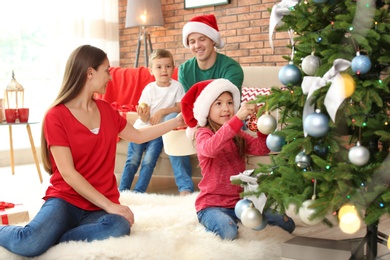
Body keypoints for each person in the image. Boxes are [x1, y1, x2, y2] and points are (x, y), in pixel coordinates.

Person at [0, 45, 185, 257]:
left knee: (119, 226)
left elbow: (139, 136)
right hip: (66, 200)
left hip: (98, 208)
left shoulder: (107, 110)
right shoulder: (56, 116)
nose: (110, 77)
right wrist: (110, 205)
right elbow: (68, 173)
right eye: (107, 70)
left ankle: (55, 237)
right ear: (90, 73)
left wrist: (176, 121)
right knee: (28, 244)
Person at [180, 78, 295, 240]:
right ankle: (208, 229)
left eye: (230, 103)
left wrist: (262, 125)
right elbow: (211, 148)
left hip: (240, 202)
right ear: (207, 109)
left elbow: (261, 148)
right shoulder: (203, 133)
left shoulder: (237, 134)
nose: (226, 108)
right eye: (218, 104)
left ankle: (234, 220)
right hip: (212, 205)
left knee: (287, 223)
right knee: (228, 232)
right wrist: (237, 120)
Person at [171, 13, 245, 196]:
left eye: (202, 39)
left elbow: (228, 107)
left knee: (232, 126)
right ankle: (185, 187)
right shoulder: (185, 70)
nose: (197, 45)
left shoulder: (232, 68)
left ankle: (227, 185)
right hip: (200, 117)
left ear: (212, 40)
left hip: (226, 116)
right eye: (192, 41)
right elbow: (190, 104)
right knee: (171, 119)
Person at [119, 49, 184, 193]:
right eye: (159, 67)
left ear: (173, 67)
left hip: (158, 132)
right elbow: (144, 117)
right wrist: (144, 116)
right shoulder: (149, 89)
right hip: (140, 130)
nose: (164, 70)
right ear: (151, 71)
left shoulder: (177, 87)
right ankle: (122, 190)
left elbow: (180, 107)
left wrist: (162, 111)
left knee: (149, 161)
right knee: (133, 160)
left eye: (168, 66)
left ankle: (139, 192)